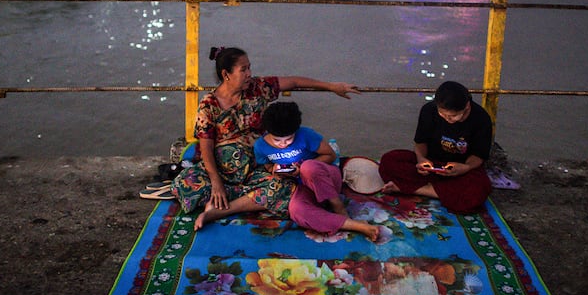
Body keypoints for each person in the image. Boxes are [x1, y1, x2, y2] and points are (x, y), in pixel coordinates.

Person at [170, 46, 360, 231]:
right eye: (243, 69)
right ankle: (234, 197)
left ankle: (222, 208)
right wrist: (217, 181)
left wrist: (332, 86)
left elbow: (293, 82)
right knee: (185, 184)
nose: (249, 74)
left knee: (285, 187)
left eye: (249, 67)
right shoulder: (208, 105)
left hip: (256, 167)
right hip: (223, 170)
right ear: (226, 74)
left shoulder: (257, 88)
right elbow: (206, 149)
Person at [254, 101, 380, 241]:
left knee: (309, 167)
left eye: (289, 139)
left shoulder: (306, 135)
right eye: (277, 140)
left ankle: (338, 207)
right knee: (297, 210)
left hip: (326, 180)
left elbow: (330, 155)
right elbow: (267, 166)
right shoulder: (260, 146)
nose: (283, 144)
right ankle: (356, 225)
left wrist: (302, 169)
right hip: (303, 187)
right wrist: (276, 170)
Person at [378, 80, 492, 214]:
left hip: (459, 170)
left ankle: (413, 189)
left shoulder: (481, 118)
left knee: (479, 189)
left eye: (453, 116)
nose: (448, 119)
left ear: (466, 106)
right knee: (389, 160)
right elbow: (421, 142)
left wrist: (465, 168)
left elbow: (479, 155)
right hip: (432, 165)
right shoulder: (429, 110)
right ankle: (439, 191)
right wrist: (421, 159)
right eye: (443, 114)